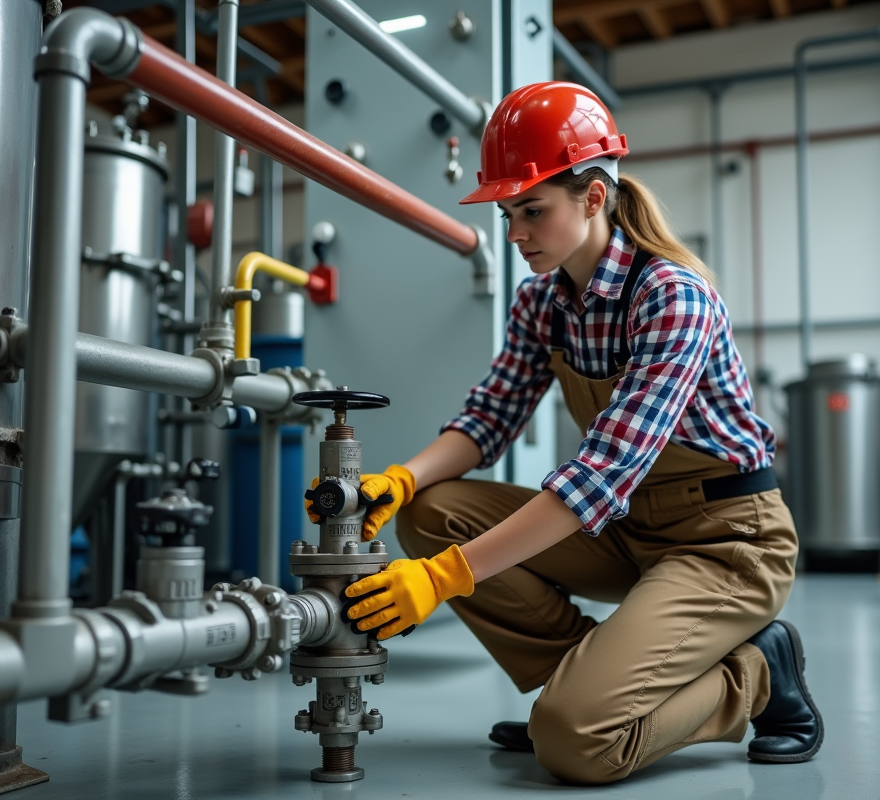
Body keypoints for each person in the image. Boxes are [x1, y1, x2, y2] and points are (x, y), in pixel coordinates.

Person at [310, 81, 822, 785]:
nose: (515, 234)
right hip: (629, 529)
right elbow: (490, 417)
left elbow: (600, 474)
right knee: (433, 513)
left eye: (531, 211)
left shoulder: (672, 296)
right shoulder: (543, 303)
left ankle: (757, 673)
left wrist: (443, 578)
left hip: (725, 541)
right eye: (508, 213)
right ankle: (580, 690)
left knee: (576, 747)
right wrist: (400, 479)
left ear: (593, 198)